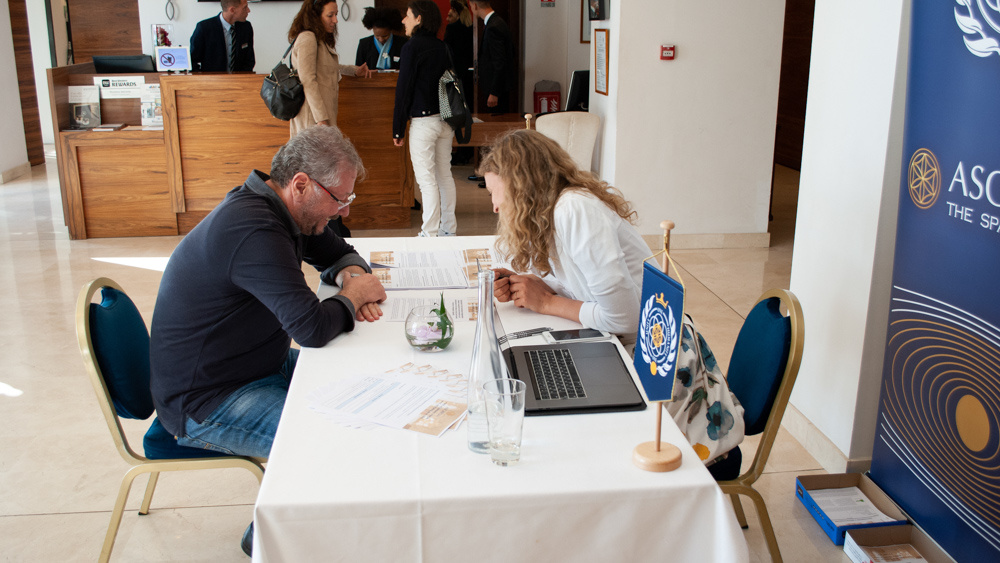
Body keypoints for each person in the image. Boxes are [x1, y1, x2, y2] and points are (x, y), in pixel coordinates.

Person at [149, 125, 387, 464]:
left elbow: (340, 253)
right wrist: (353, 295)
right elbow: (312, 329)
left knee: (372, 392)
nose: (344, 212)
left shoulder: (288, 210)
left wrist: (354, 278)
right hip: (210, 398)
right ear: (301, 185)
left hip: (259, 364)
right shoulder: (254, 230)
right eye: (339, 200)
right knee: (336, 446)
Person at [481, 129, 647, 336]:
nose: (495, 207)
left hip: (645, 343)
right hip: (618, 336)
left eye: (492, 192)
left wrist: (545, 302)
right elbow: (580, 284)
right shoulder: (550, 213)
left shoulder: (575, 209)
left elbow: (625, 319)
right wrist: (534, 285)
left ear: (519, 187)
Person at [393, 0, 458, 237]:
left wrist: (398, 128)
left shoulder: (411, 48)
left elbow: (404, 91)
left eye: (407, 15)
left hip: (423, 123)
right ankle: (448, 230)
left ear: (419, 19)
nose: (404, 20)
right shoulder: (443, 47)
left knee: (426, 180)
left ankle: (429, 233)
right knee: (444, 176)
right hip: (445, 121)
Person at [287, 0, 371, 137]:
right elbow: (307, 80)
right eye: (330, 15)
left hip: (319, 118)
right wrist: (321, 119)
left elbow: (327, 66)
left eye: (336, 14)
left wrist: (354, 71)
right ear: (315, 16)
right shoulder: (308, 38)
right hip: (313, 119)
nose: (335, 20)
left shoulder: (318, 39)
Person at [468, 0, 515, 113]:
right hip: (497, 90)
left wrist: (494, 92)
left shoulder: (493, 27)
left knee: (496, 121)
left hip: (496, 93)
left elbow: (499, 62)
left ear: (475, 6)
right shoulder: (496, 22)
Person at [444, 0, 474, 166]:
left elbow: (448, 54)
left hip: (456, 77)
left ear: (455, 12)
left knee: (457, 113)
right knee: (469, 113)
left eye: (450, 14)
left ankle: (461, 150)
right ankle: (468, 151)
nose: (447, 18)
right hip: (470, 78)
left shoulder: (452, 29)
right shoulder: (472, 28)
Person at [190, 0, 255, 73]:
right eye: (245, 7)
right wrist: (202, 78)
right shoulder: (204, 28)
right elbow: (192, 60)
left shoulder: (246, 27)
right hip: (212, 79)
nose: (248, 10)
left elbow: (249, 60)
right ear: (232, 10)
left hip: (240, 79)